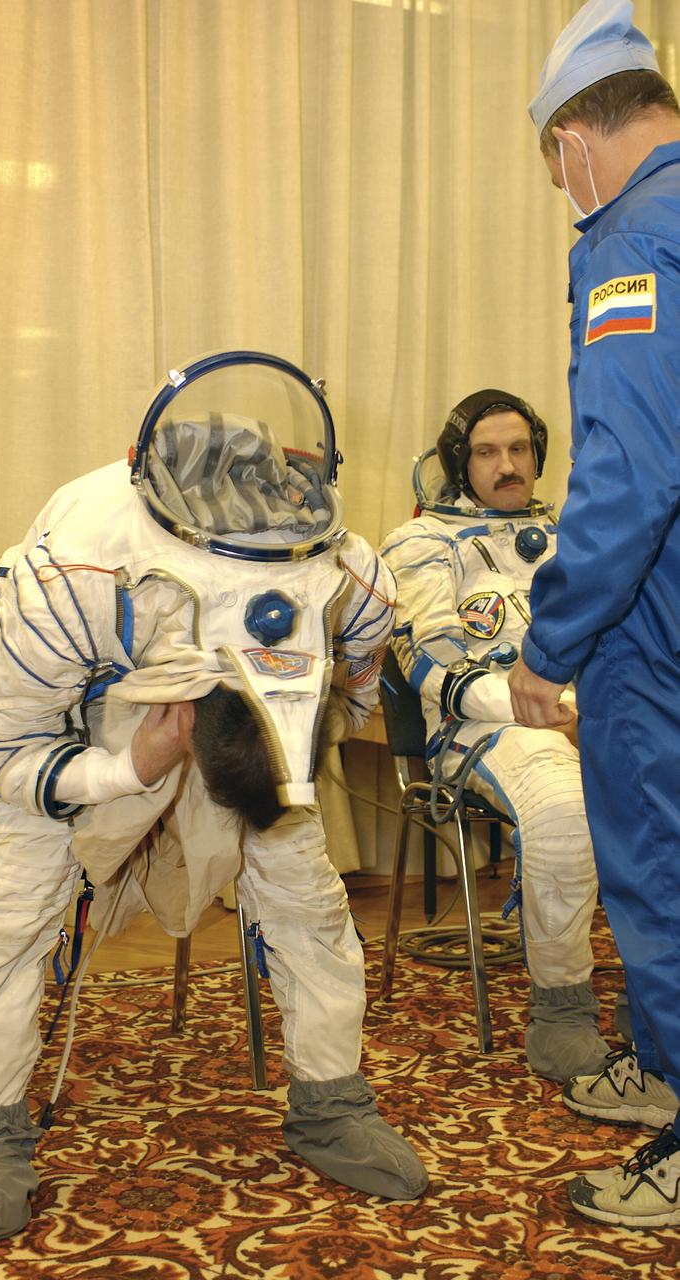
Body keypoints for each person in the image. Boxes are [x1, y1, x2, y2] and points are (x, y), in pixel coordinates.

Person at [0, 350, 428, 1245]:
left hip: (248, 724)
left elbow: (357, 685)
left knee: (310, 904)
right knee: (6, 922)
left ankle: (328, 1103)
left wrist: (288, 729)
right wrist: (126, 772)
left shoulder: (345, 574)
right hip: (81, 721)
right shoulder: (75, 574)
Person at [509, 0, 680, 1229]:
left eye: (551, 159)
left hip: (655, 625)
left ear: (576, 134)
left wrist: (549, 640)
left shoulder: (631, 240)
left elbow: (627, 476)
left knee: (661, 874)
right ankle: (660, 1064)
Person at [380, 390, 614, 1086]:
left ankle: (653, 993)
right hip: (479, 727)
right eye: (487, 452)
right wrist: (538, 709)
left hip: (587, 713)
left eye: (519, 449)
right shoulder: (421, 542)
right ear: (459, 461)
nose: (507, 466)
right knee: (565, 808)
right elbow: (430, 665)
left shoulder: (580, 534)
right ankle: (561, 1013)